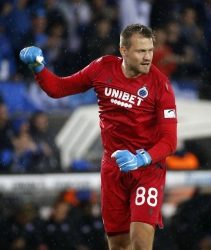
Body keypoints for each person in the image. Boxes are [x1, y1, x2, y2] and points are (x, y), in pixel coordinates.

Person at [19, 23, 178, 250]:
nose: (148, 57)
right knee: (119, 245)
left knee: (141, 241)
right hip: (113, 170)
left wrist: (142, 158)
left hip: (147, 170)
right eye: (141, 51)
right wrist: (38, 69)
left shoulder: (161, 85)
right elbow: (58, 89)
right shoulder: (102, 68)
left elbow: (170, 141)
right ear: (123, 51)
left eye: (150, 50)